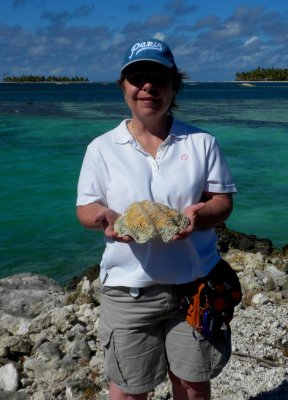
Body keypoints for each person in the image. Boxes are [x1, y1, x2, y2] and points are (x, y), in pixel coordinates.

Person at [76, 38, 237, 400]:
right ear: (124, 87)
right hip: (127, 289)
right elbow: (85, 209)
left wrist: (201, 215)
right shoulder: (101, 148)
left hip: (194, 283)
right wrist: (102, 216)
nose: (147, 86)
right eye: (137, 78)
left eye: (159, 78)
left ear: (174, 86)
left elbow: (223, 202)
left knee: (193, 386)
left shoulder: (202, 142)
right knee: (129, 391)